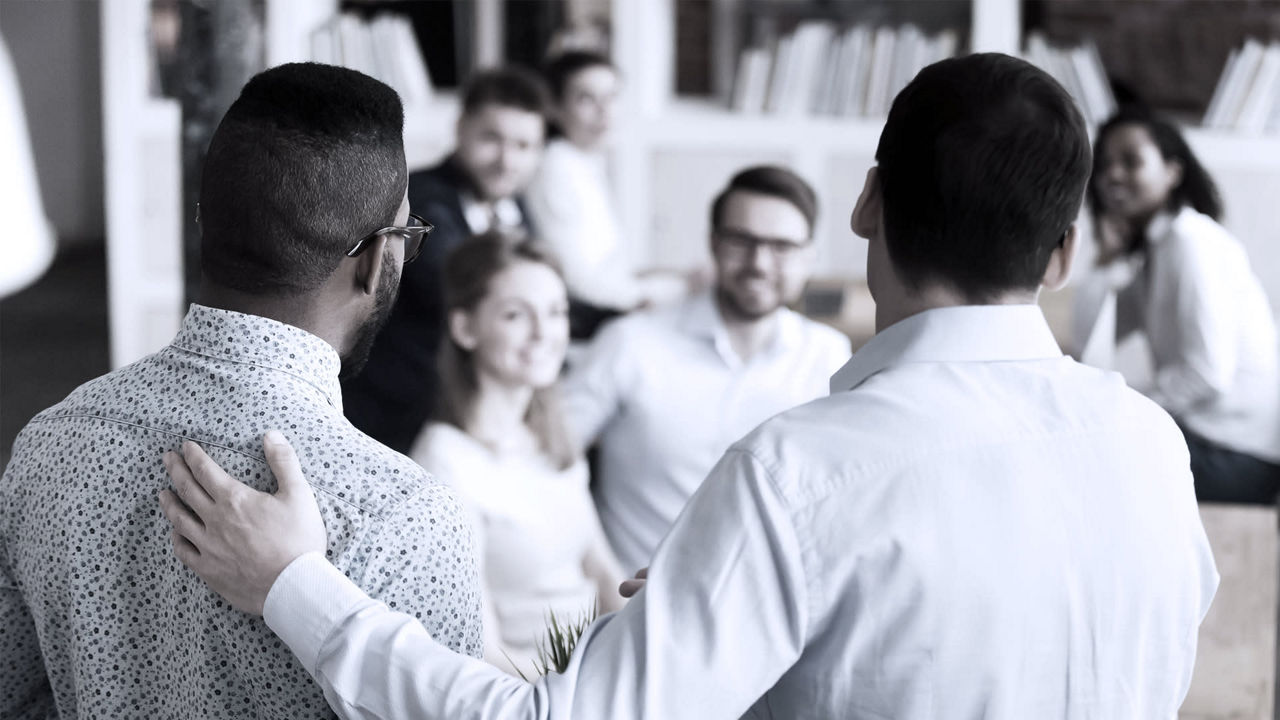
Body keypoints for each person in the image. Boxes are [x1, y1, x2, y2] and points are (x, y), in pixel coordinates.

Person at [158, 53, 1219, 719]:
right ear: (1065, 252)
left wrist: (294, 583)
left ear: (862, 206)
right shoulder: (1150, 444)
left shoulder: (804, 472)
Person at [0, 63, 482, 719]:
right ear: (376, 261)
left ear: (208, 223)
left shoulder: (48, 445)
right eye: (407, 233)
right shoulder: (400, 517)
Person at [561, 165, 851, 573]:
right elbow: (544, 460)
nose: (760, 263)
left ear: (810, 257)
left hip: (777, 612)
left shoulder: (829, 356)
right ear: (713, 244)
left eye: (782, 247)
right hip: (636, 608)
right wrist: (598, 573)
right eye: (742, 241)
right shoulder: (630, 343)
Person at [408, 233, 625, 676]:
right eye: (515, 315)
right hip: (534, 695)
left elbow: (602, 573)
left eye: (556, 312)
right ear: (465, 328)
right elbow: (482, 651)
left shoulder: (553, 439)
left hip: (596, 672)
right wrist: (590, 690)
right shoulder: (445, 463)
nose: (544, 333)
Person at [1074, 106, 1280, 504]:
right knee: (1084, 441)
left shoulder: (1191, 242)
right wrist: (1105, 256)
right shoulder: (1157, 250)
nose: (1112, 175)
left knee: (1089, 453)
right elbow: (1091, 341)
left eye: (1131, 161)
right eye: (1105, 166)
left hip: (1241, 455)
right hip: (1208, 437)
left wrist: (1128, 403)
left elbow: (1207, 373)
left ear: (1172, 172)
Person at [343, 66, 549, 453]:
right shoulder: (419, 199)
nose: (507, 160)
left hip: (463, 407)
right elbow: (467, 287)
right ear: (460, 128)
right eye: (492, 138)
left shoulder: (514, 206)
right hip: (396, 414)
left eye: (524, 146)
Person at [524, 50, 695, 337]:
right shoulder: (556, 169)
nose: (605, 111)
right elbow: (580, 283)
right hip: (585, 324)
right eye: (587, 99)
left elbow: (609, 267)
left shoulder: (585, 161)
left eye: (612, 96)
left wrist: (673, 279)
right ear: (554, 107)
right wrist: (680, 289)